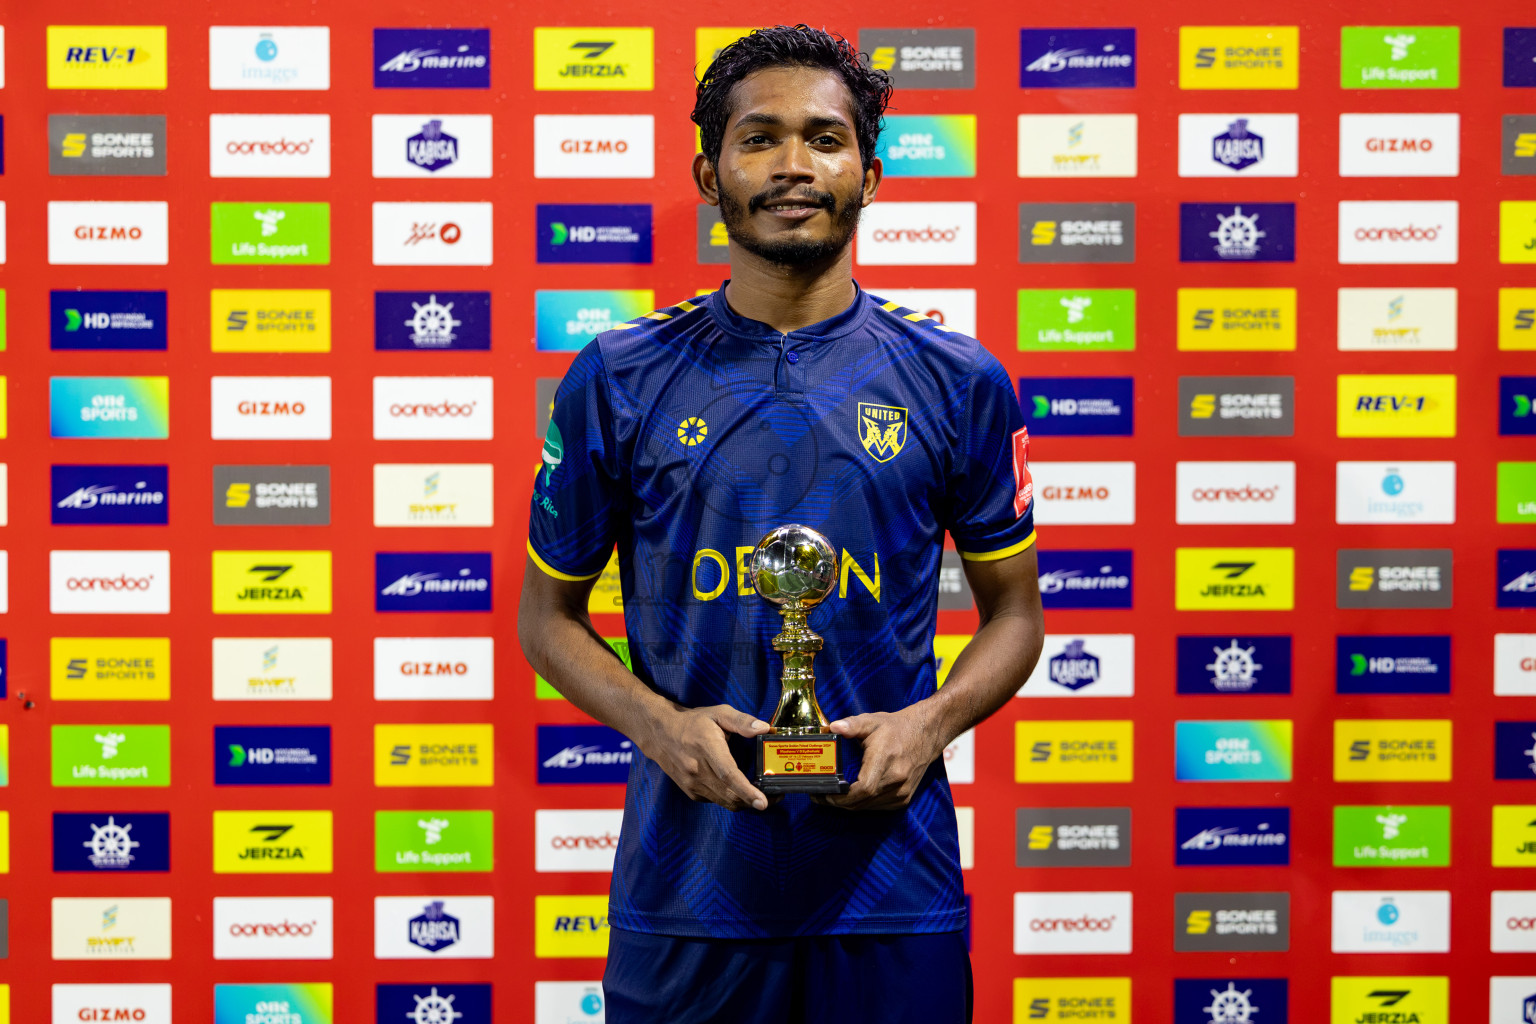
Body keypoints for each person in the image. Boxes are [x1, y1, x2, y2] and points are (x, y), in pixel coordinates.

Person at [520, 24, 1044, 1024]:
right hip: (689, 894)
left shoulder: (960, 379)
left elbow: (1016, 614)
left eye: (824, 138)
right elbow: (546, 617)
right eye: (759, 138)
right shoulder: (620, 376)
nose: (794, 164)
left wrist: (928, 724)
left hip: (892, 893)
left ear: (872, 172)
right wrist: (664, 729)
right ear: (710, 175)